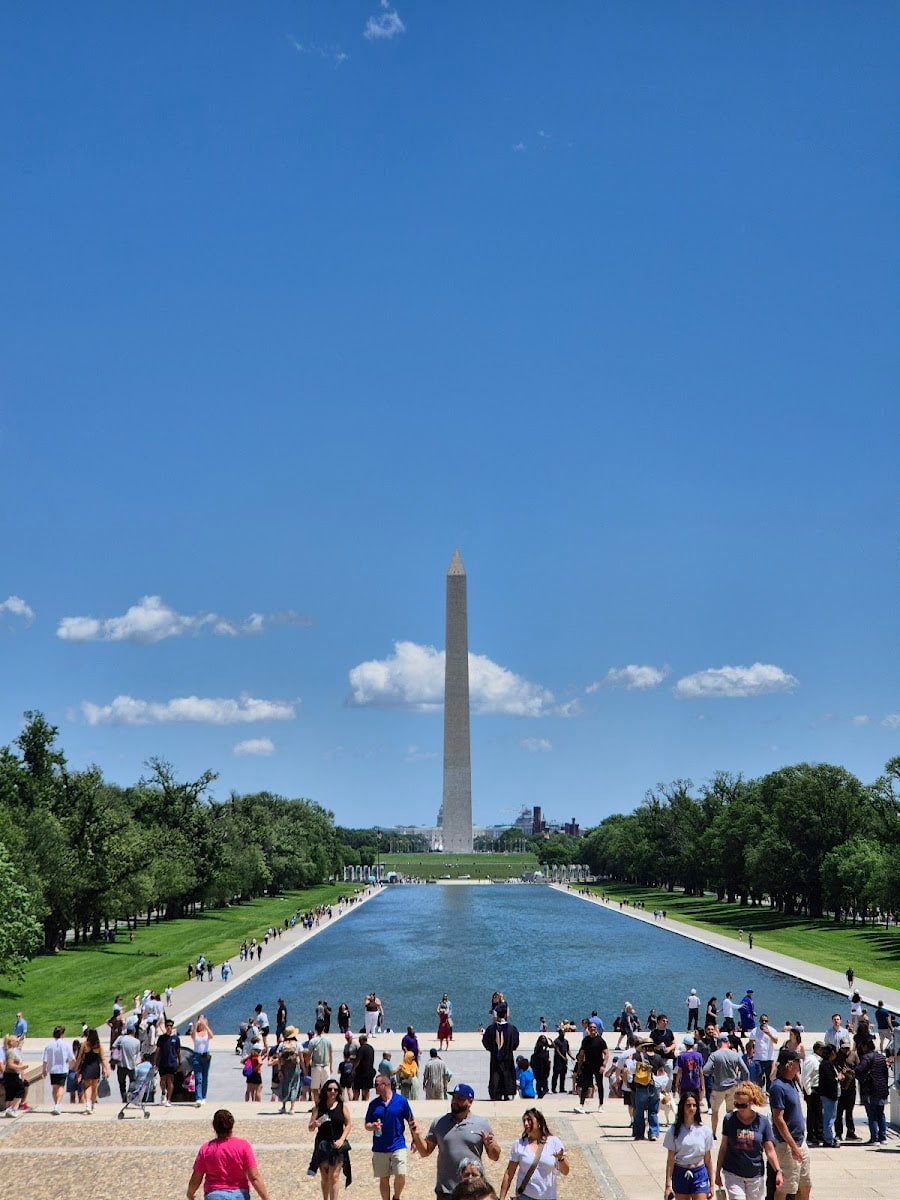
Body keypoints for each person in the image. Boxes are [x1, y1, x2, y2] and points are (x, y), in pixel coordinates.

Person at [411, 1081, 501, 1197]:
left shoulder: (481, 1124)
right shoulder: (439, 1122)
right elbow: (425, 1151)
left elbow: (495, 1156)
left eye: (459, 1099)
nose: (454, 1102)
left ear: (470, 1102)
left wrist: (491, 1146)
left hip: (472, 1190)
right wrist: (417, 1136)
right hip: (446, 1191)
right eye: (453, 1098)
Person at [715, 1081, 782, 1200]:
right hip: (733, 1172)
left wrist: (778, 1171)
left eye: (743, 1105)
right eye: (737, 1104)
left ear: (751, 1103)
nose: (740, 1108)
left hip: (755, 1174)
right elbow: (723, 1147)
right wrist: (717, 1172)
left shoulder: (762, 1121)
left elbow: (770, 1150)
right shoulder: (729, 1119)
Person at [187, 1107, 271, 1200]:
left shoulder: (206, 1148)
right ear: (232, 1125)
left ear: (214, 1126)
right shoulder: (243, 1146)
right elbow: (254, 1177)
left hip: (214, 1194)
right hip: (239, 1194)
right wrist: (266, 1198)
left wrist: (190, 1193)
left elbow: (196, 1178)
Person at [365, 1072, 419, 1200]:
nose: (374, 1087)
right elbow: (366, 1124)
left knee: (401, 1173)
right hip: (380, 1147)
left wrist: (415, 1140)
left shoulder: (401, 1101)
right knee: (384, 1178)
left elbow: (411, 1120)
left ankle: (396, 1197)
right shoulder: (373, 1104)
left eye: (376, 1084)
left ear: (385, 1085)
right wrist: (372, 1126)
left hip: (398, 1144)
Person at [498, 1109, 569, 1200]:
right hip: (525, 1196)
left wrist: (560, 1159)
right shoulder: (519, 1144)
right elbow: (509, 1173)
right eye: (524, 1121)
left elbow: (566, 1171)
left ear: (539, 1122)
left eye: (529, 1120)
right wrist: (501, 1197)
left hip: (548, 1197)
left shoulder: (554, 1142)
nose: (526, 1123)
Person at [769, 1049, 810, 1200]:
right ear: (791, 1064)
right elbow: (778, 1119)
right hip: (787, 1145)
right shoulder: (778, 1087)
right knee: (785, 1188)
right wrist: (793, 1147)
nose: (800, 1065)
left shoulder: (792, 1083)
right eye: (798, 1062)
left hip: (800, 1140)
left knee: (805, 1185)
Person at [662, 1092, 714, 1200]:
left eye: (694, 1105)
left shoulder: (705, 1131)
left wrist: (712, 1184)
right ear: (682, 1107)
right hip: (681, 1173)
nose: (692, 1108)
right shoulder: (673, 1131)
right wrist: (668, 1185)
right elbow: (670, 1160)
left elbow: (708, 1159)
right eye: (688, 1105)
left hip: (699, 1173)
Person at [309, 1078, 352, 1200]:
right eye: (329, 1089)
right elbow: (310, 1127)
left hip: (337, 1145)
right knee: (325, 1176)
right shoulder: (319, 1107)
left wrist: (342, 1139)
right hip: (322, 1145)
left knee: (334, 1176)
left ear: (338, 1092)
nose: (332, 1092)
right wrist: (314, 1124)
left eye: (335, 1089)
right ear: (325, 1091)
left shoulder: (342, 1106)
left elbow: (348, 1124)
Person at [703, 1032, 749, 1138]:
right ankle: (730, 1132)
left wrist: (714, 1071)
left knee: (715, 1111)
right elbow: (745, 1071)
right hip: (733, 1086)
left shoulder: (714, 1055)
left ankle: (714, 1133)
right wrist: (745, 1084)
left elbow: (705, 1070)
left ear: (718, 1043)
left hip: (718, 1087)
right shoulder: (735, 1055)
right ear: (727, 1042)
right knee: (730, 1111)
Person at [855, 1035, 890, 1144]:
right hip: (882, 1088)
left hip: (870, 1088)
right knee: (881, 1113)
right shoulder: (881, 1057)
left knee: (872, 1114)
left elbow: (859, 1070)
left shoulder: (866, 1058)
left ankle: (874, 1138)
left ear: (865, 1046)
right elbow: (885, 1073)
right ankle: (883, 1137)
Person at [482, 1003, 519, 1101]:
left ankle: (496, 1093)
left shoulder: (491, 1028)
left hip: (495, 1057)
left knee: (495, 1074)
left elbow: (485, 1041)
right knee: (507, 1074)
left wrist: (493, 1050)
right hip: (508, 1057)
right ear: (505, 1014)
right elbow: (516, 1043)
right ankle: (507, 1093)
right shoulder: (512, 1029)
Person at [73, 1027, 109, 1115]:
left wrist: (76, 1067)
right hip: (95, 1067)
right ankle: (92, 1104)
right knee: (94, 1087)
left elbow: (80, 1057)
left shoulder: (85, 1045)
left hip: (87, 1067)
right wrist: (106, 1068)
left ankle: (88, 1105)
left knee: (87, 1087)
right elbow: (103, 1058)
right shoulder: (99, 1045)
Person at [573, 1021, 608, 1113]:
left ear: (596, 1029)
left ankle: (601, 1105)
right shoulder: (585, 1040)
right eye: (591, 1028)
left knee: (600, 1085)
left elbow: (606, 1053)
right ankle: (581, 1105)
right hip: (588, 1065)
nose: (593, 1029)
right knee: (584, 1085)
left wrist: (603, 1065)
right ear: (588, 1029)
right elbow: (581, 1055)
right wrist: (579, 1068)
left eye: (594, 1028)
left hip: (598, 1066)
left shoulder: (600, 1040)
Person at [42, 1025, 73, 1116]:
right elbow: (71, 1057)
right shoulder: (66, 1044)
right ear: (62, 1034)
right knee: (61, 1087)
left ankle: (56, 1104)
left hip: (52, 1069)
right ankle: (58, 1104)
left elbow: (45, 1059)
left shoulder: (48, 1045)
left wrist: (44, 1070)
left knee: (55, 1087)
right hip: (62, 1068)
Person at [112, 1018, 142, 1102]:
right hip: (131, 1065)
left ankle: (124, 1098)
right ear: (134, 1032)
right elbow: (137, 1052)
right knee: (132, 1081)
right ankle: (129, 1095)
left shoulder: (120, 1038)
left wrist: (113, 1062)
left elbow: (113, 1048)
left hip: (121, 1065)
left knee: (122, 1084)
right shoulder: (137, 1042)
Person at [155, 1018, 182, 1106]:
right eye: (167, 1026)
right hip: (163, 1062)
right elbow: (158, 1050)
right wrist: (155, 1061)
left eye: (170, 1026)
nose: (169, 1027)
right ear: (165, 1027)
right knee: (163, 1080)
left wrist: (180, 1061)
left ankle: (169, 1099)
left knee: (170, 1080)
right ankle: (163, 1093)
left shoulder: (176, 1038)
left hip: (172, 1062)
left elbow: (178, 1051)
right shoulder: (161, 1038)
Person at [817, 1044, 840, 1147]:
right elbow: (829, 1080)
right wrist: (838, 1078)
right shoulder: (826, 1065)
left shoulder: (828, 1064)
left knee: (829, 1117)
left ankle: (828, 1137)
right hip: (829, 1095)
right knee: (829, 1118)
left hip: (829, 1094)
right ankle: (828, 1139)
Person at [277, 1025, 302, 1114]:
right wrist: (304, 1068)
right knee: (294, 1086)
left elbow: (279, 1057)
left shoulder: (282, 1044)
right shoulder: (297, 1044)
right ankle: (292, 1108)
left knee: (284, 1085)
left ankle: (283, 1106)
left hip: (284, 1067)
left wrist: (279, 1070)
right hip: (295, 1067)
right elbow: (301, 1058)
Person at [192, 1015, 214, 1107]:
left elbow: (211, 1036)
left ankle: (204, 1097)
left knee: (205, 1078)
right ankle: (198, 1097)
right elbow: (192, 1035)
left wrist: (205, 1025)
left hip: (205, 1055)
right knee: (198, 1078)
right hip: (197, 1056)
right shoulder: (195, 1033)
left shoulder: (206, 1032)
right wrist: (196, 1025)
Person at [309, 1020, 334, 1103]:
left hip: (316, 1066)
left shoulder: (312, 1041)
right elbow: (331, 1054)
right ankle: (326, 1104)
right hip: (326, 1066)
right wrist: (331, 1067)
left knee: (315, 1088)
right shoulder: (328, 1040)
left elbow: (309, 1054)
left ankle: (317, 1105)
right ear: (324, 1028)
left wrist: (308, 1065)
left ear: (315, 1029)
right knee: (327, 1088)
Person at [354, 1033, 376, 1101]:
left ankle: (356, 1100)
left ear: (362, 1040)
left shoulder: (361, 1048)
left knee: (357, 1088)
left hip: (361, 1072)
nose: (359, 1042)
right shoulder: (371, 1048)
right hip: (370, 1071)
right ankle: (366, 1101)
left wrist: (353, 1069)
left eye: (359, 1041)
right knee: (367, 1089)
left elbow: (358, 1060)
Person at [551, 1027, 569, 1095]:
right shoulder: (556, 1041)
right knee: (555, 1074)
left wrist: (571, 1056)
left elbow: (567, 1050)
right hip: (557, 1060)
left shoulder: (566, 1041)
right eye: (561, 1032)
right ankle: (553, 1088)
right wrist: (563, 1057)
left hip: (564, 1061)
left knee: (563, 1074)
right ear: (559, 1033)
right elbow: (557, 1050)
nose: (563, 1033)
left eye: (564, 1032)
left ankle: (562, 1088)